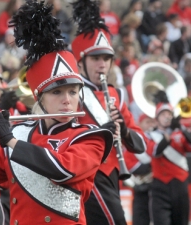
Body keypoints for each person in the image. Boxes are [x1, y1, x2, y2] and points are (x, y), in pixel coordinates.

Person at [0, 1, 114, 224]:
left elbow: (61, 170)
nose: (67, 100)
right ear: (39, 97)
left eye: (73, 91)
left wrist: (11, 142)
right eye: (57, 92)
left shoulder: (91, 136)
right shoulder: (21, 134)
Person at [71, 1, 147, 224]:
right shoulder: (70, 94)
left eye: (106, 58)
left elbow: (140, 144)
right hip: (87, 173)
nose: (102, 64)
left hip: (114, 175)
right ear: (81, 62)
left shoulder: (118, 95)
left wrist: (123, 129)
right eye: (95, 58)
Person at [146, 90, 191, 225]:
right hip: (160, 186)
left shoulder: (180, 133)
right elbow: (155, 151)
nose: (167, 117)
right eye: (163, 114)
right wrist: (167, 137)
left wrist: (181, 128)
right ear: (156, 118)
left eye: (169, 114)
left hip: (180, 185)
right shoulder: (150, 135)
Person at [124, 113, 156, 225]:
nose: (151, 125)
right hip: (142, 189)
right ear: (140, 124)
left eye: (153, 122)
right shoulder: (132, 146)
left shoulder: (157, 140)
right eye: (147, 122)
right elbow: (137, 169)